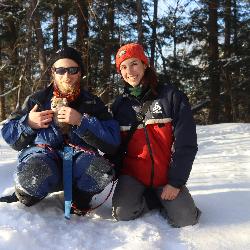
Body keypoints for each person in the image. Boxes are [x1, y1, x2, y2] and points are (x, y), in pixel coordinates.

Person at [0, 47, 120, 216]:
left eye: (72, 70)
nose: (67, 76)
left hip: (80, 162)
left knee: (100, 170)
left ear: (80, 73)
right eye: (61, 70)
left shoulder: (93, 103)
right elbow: (9, 134)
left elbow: (113, 141)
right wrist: (28, 122)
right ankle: (28, 195)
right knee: (34, 172)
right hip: (44, 157)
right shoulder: (37, 99)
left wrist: (82, 122)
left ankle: (81, 198)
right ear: (53, 72)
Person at [111, 43, 201, 227]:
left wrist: (176, 182)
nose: (130, 71)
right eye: (123, 67)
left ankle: (161, 196)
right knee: (123, 214)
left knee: (186, 219)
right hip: (133, 175)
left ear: (145, 64)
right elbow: (115, 146)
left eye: (134, 63)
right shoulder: (119, 106)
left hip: (166, 176)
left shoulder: (171, 97)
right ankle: (150, 198)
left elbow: (187, 143)